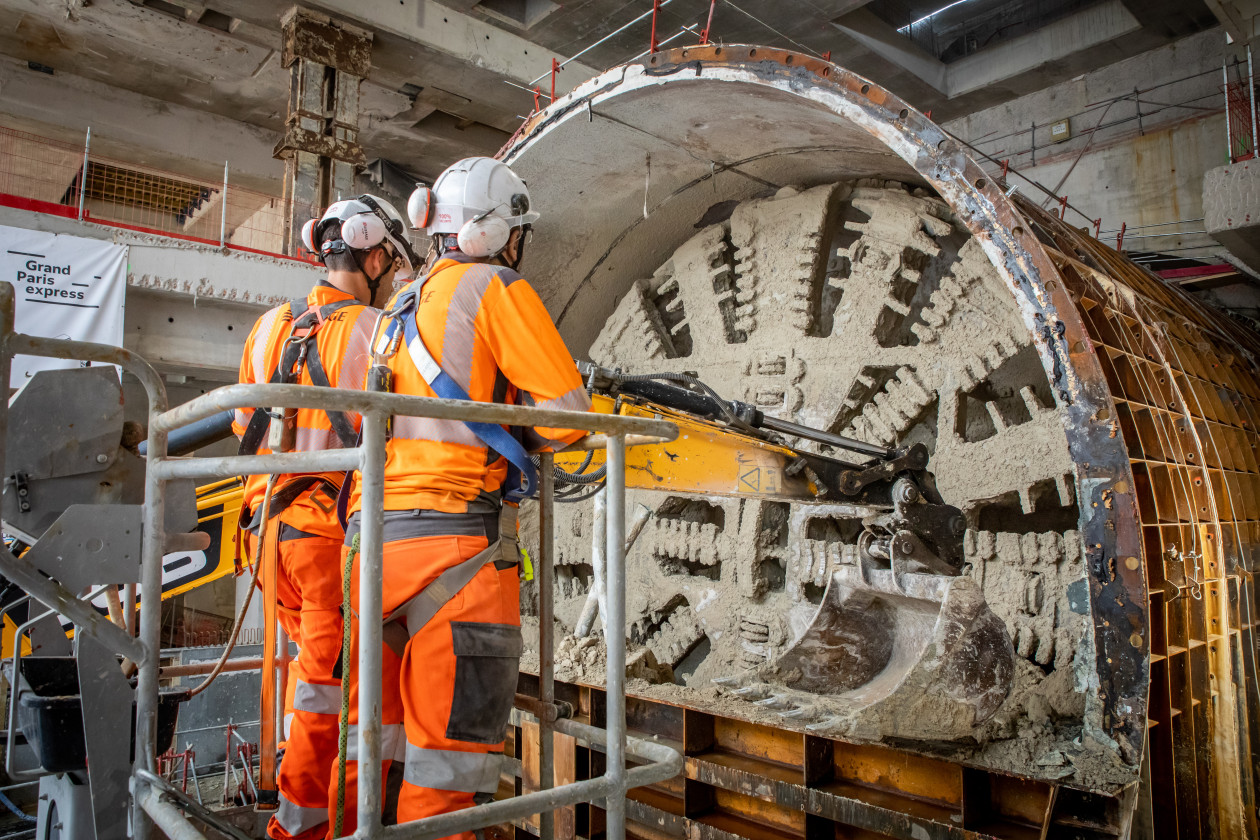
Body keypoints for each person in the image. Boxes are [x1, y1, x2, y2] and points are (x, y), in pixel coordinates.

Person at [336, 157, 590, 840]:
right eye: (518, 232)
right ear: (499, 232)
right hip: (457, 555)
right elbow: (569, 416)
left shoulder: (396, 308)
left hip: (370, 551)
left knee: (372, 756)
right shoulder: (494, 287)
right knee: (445, 775)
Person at [232, 194, 420, 840]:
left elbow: (244, 425)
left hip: (266, 544)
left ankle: (338, 814)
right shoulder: (377, 332)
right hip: (326, 553)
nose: (394, 279)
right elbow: (407, 436)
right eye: (391, 266)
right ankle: (306, 829)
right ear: (371, 257)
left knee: (316, 688)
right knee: (327, 698)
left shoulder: (267, 328)